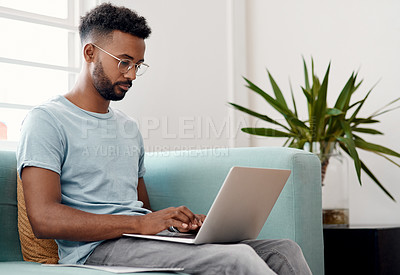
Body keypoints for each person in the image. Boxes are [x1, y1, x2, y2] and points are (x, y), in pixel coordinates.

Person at [16, 3, 312, 274]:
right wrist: (140, 223)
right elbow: (44, 219)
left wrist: (178, 225)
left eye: (138, 65)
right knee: (237, 259)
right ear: (89, 52)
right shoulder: (47, 120)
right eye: (123, 62)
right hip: (96, 250)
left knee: (284, 251)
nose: (131, 74)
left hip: (143, 240)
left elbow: (139, 206)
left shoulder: (128, 127)